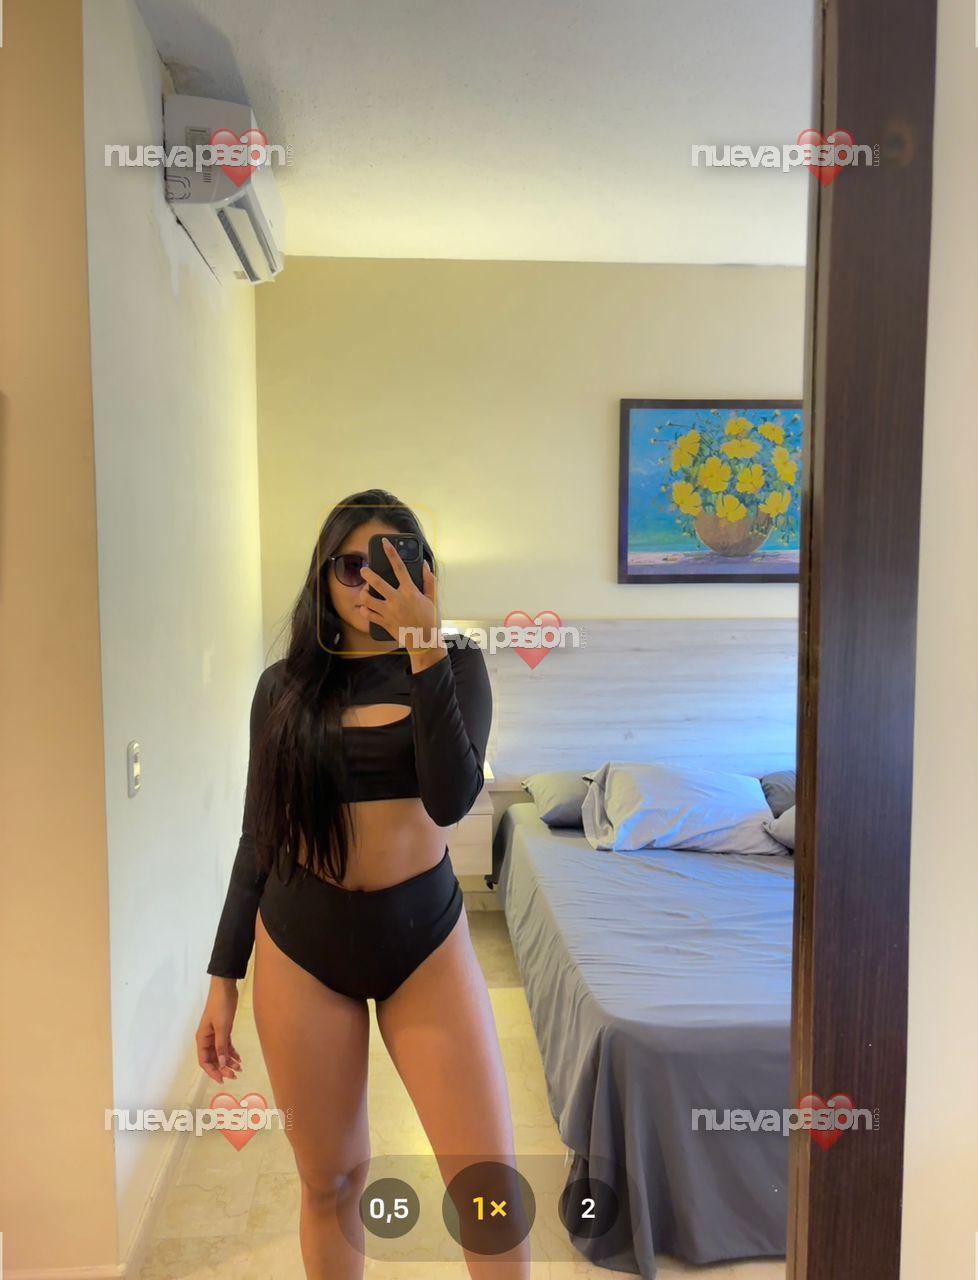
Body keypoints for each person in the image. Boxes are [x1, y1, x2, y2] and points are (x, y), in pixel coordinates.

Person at [194, 489, 531, 1278]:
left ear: (422, 573)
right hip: (302, 946)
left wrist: (424, 649)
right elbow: (259, 833)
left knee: (485, 1186)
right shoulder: (281, 688)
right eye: (350, 566)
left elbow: (451, 800)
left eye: (390, 564)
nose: (368, 583)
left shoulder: (456, 665)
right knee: (331, 1181)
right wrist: (222, 977)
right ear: (323, 576)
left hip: (424, 944)